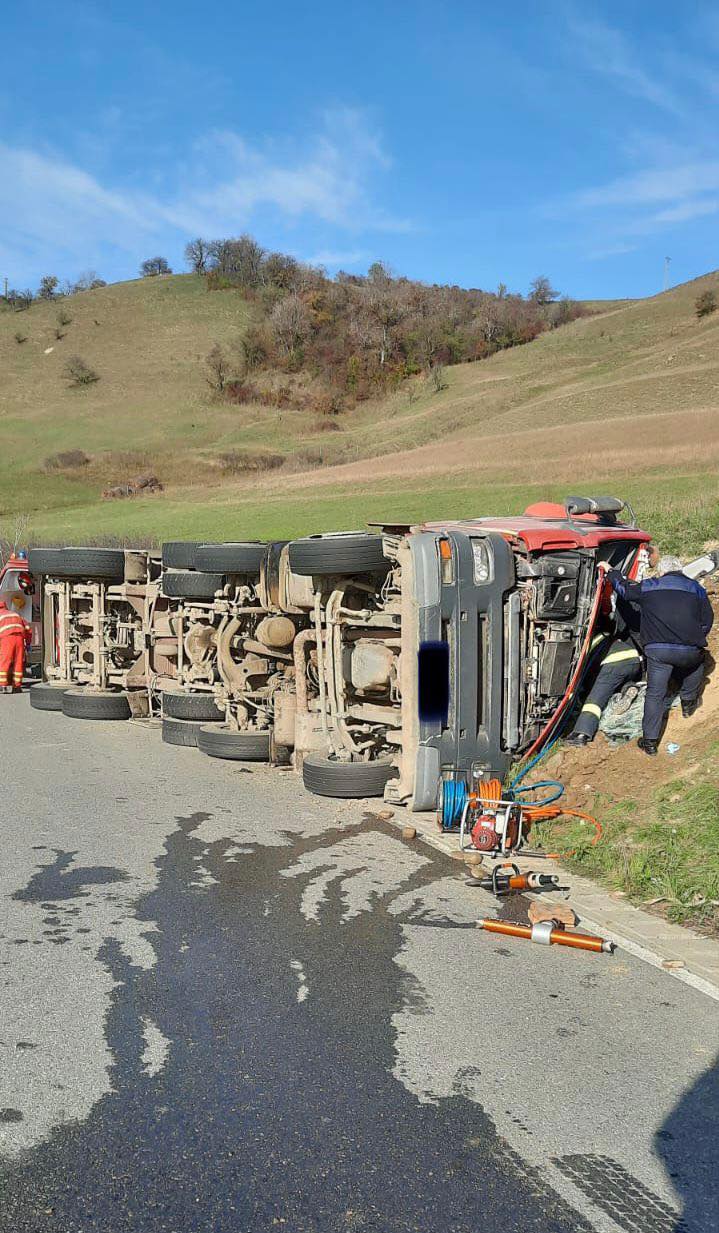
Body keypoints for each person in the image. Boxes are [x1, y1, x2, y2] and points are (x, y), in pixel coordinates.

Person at [602, 555, 714, 755]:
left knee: (655, 693)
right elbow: (707, 619)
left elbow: (625, 590)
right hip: (689, 649)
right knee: (696, 665)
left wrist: (611, 572)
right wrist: (695, 637)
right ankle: (688, 703)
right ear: (680, 570)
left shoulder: (651, 585)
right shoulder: (697, 589)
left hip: (658, 651)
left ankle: (650, 742)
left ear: (661, 572)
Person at [564, 633, 642, 746]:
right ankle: (629, 687)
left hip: (614, 661)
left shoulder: (581, 648)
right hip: (633, 660)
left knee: (595, 699)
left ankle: (581, 733)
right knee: (613, 685)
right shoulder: (599, 636)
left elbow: (584, 677)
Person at [0, 598, 32, 693]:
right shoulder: (15, 614)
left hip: (7, 639)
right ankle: (17, 686)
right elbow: (28, 629)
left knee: (4, 661)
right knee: (18, 662)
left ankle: (3, 685)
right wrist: (28, 643)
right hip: (20, 639)